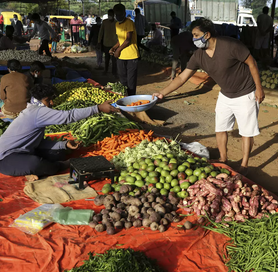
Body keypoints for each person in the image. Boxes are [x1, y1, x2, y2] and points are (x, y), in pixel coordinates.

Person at [151, 18, 264, 175]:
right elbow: (182, 78)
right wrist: (162, 92)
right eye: (193, 35)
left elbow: (252, 63)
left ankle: (244, 165)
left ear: (207, 34)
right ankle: (224, 159)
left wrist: (259, 88)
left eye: (196, 35)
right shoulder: (199, 55)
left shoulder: (231, 45)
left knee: (246, 132)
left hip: (245, 93)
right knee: (221, 128)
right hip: (226, 94)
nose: (194, 39)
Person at [0, 84, 119, 181]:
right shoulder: (37, 112)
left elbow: (38, 142)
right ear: (39, 100)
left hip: (25, 151)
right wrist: (97, 108)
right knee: (37, 164)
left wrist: (63, 145)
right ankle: (58, 166)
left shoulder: (34, 109)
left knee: (58, 153)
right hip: (5, 159)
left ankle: (41, 166)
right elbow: (68, 117)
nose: (52, 103)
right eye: (48, 100)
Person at [110, 4, 139, 96]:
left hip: (132, 56)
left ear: (124, 13)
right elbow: (120, 40)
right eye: (116, 15)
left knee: (131, 81)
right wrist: (114, 47)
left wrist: (118, 50)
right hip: (121, 57)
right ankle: (125, 99)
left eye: (120, 15)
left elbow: (128, 40)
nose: (118, 17)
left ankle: (131, 99)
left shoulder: (129, 23)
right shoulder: (117, 24)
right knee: (122, 79)